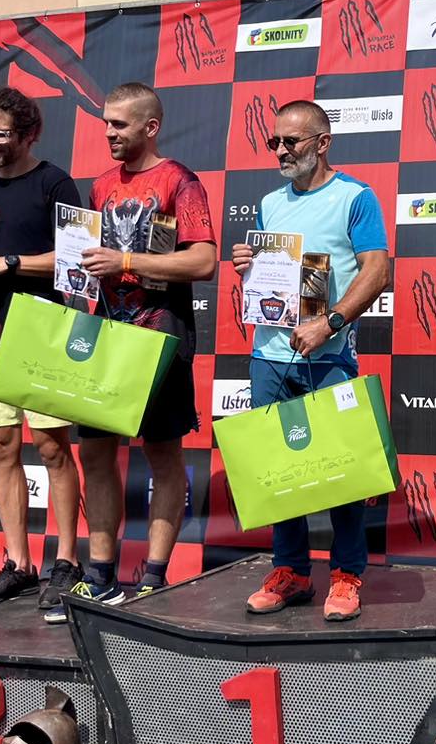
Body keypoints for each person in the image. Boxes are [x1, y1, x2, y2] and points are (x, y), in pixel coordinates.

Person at [44, 82, 217, 623]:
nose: (108, 133)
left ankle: (153, 579)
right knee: (95, 455)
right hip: (106, 339)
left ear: (150, 126)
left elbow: (203, 262)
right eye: (106, 123)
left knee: (162, 457)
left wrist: (125, 262)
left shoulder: (180, 181)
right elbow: (82, 264)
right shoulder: (99, 186)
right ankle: (100, 577)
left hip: (159, 337)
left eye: (119, 124)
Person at [230, 100, 389, 623]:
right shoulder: (269, 202)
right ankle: (292, 571)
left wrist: (331, 323)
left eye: (290, 141)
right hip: (270, 355)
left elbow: (377, 270)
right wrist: (248, 266)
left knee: (343, 473)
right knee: (280, 471)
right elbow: (267, 281)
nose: (279, 150)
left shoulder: (355, 197)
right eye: (274, 141)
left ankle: (346, 574)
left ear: (322, 143)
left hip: (330, 354)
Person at [0, 86, 83, 610]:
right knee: (0, 447)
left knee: (52, 448)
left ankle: (67, 562)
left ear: (29, 134)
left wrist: (8, 264)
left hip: (42, 331)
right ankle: (18, 564)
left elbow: (74, 257)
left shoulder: (55, 182)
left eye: (0, 134)